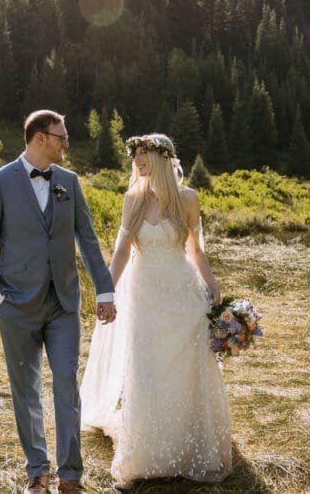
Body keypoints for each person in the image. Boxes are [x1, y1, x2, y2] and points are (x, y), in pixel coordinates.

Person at [0, 109, 117, 494]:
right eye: (62, 136)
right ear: (41, 137)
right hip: (16, 307)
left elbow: (86, 239)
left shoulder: (69, 181)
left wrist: (104, 290)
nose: (66, 142)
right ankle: (38, 472)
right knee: (26, 390)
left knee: (67, 387)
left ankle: (71, 477)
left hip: (63, 305)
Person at [80, 133, 233, 488]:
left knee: (185, 367)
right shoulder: (132, 199)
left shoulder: (187, 199)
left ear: (164, 159)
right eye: (135, 159)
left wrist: (210, 282)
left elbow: (196, 250)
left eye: (144, 157)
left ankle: (188, 443)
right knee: (146, 366)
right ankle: (147, 452)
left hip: (181, 294)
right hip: (143, 294)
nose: (138, 163)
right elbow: (120, 253)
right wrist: (107, 291)